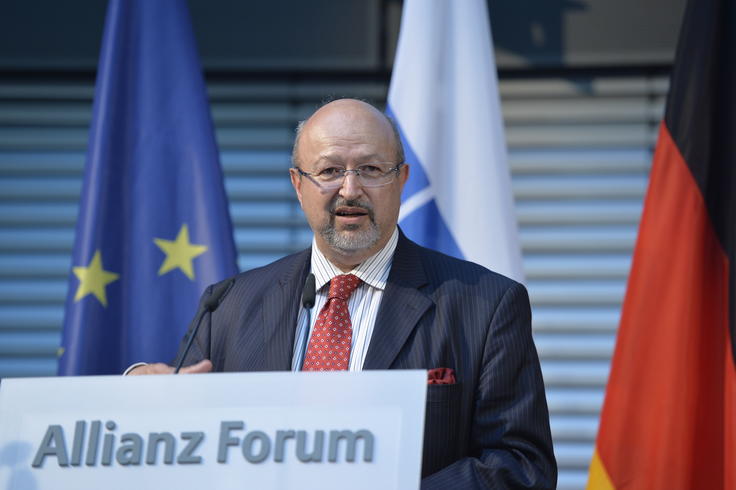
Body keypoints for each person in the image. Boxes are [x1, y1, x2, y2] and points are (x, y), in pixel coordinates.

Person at [130, 98, 557, 488]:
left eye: (370, 169)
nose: (350, 190)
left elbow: (523, 466)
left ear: (402, 179)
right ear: (298, 185)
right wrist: (136, 399)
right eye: (330, 171)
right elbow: (185, 446)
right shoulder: (227, 304)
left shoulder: (486, 304)